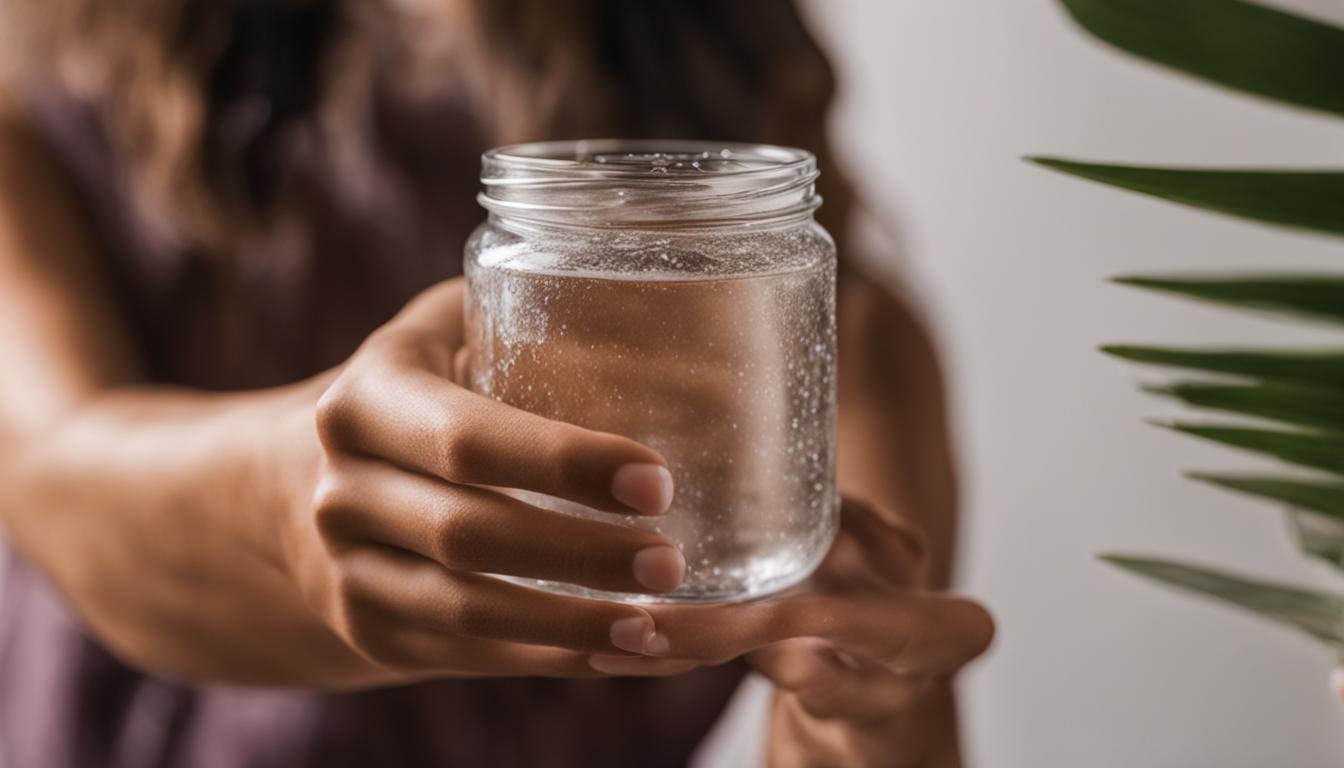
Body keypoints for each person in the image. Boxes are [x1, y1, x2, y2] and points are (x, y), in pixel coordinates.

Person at [0, 1, 993, 766]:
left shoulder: (827, 328)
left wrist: (871, 715)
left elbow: (853, 699)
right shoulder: (52, 120)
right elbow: (51, 467)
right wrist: (289, 501)